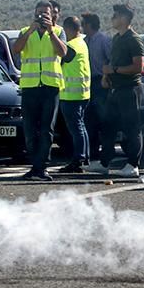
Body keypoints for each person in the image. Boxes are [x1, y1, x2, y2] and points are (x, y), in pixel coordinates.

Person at [11, 1, 67, 181]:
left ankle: (41, 166)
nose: (42, 16)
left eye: (46, 13)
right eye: (39, 13)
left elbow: (63, 52)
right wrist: (30, 31)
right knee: (29, 129)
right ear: (34, 14)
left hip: (50, 86)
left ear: (52, 15)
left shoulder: (58, 32)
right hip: (30, 86)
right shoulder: (25, 31)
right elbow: (16, 49)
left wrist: (50, 32)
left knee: (46, 129)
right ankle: (34, 165)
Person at [87, 4, 144, 178]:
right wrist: (107, 77)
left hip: (130, 89)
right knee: (108, 126)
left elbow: (138, 66)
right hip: (115, 89)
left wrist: (115, 70)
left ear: (124, 18)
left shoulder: (133, 39)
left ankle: (133, 164)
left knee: (131, 128)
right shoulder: (117, 39)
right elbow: (112, 63)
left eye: (116, 15)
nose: (112, 18)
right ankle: (104, 162)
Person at [57, 16, 90, 173]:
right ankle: (85, 157)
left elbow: (60, 60)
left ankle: (79, 159)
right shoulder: (82, 43)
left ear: (68, 29)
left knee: (76, 128)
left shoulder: (71, 46)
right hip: (83, 93)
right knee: (81, 127)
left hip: (71, 94)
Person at [81, 11, 112, 165]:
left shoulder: (104, 40)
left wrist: (107, 79)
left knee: (103, 119)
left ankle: (106, 154)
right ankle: (92, 154)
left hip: (101, 82)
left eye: (83, 24)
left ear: (89, 24)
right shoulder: (84, 41)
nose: (81, 27)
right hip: (87, 83)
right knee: (89, 119)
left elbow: (111, 59)